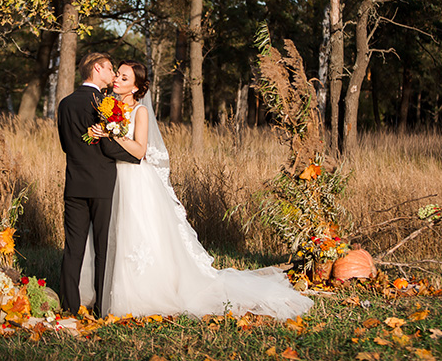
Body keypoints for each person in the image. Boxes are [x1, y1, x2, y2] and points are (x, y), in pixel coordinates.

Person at [82, 60, 314, 320]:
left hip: (135, 179)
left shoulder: (140, 112)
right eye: (118, 76)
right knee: (111, 230)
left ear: (136, 87)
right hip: (112, 176)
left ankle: (140, 294)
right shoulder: (108, 106)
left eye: (124, 78)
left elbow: (140, 150)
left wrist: (113, 135)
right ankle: (102, 291)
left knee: (136, 231)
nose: (117, 80)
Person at [56, 52, 141, 317]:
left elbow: (65, 145)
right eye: (110, 69)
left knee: (73, 247)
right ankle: (102, 308)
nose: (114, 75)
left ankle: (68, 306)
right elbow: (107, 146)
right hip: (102, 184)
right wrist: (136, 157)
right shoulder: (103, 103)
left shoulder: (65, 103)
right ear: (97, 69)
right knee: (103, 248)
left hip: (74, 183)